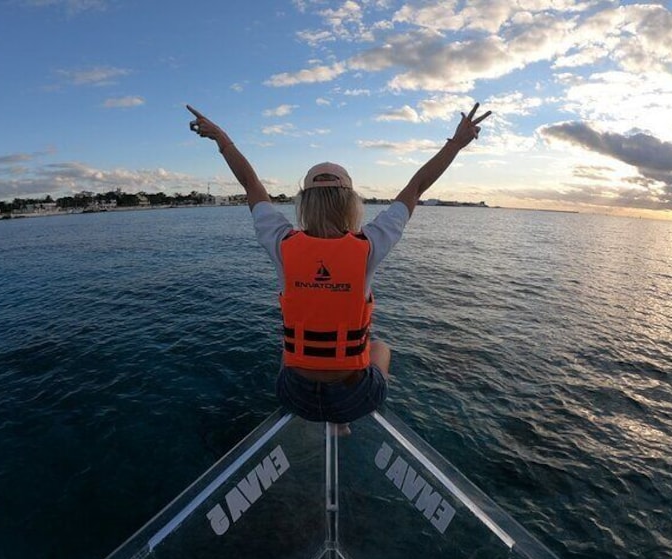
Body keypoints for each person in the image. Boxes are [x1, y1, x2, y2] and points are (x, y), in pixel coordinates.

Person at [187, 102, 491, 428]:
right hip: (355, 398)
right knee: (380, 347)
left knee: (288, 353)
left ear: (303, 203)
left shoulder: (282, 244)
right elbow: (416, 187)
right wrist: (456, 143)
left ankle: (323, 413)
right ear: (351, 203)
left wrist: (221, 138)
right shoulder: (370, 246)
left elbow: (251, 184)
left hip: (294, 396)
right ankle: (342, 423)